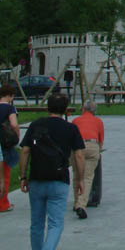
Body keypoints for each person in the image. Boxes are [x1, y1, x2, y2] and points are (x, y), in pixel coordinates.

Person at [19, 93, 85, 250]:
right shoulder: (71, 128)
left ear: (47, 107)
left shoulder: (36, 125)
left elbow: (25, 151)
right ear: (66, 110)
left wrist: (23, 176)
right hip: (59, 180)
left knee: (36, 223)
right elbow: (79, 155)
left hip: (37, 179)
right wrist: (81, 179)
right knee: (55, 224)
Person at [71, 100, 104, 219]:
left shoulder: (75, 120)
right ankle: (81, 205)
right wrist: (97, 152)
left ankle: (76, 203)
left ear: (83, 109)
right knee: (87, 177)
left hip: (77, 147)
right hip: (92, 145)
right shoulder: (98, 121)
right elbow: (101, 141)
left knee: (76, 175)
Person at [0, 84, 19, 213]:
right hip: (4, 143)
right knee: (4, 175)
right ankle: (3, 204)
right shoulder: (10, 108)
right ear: (10, 96)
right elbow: (14, 124)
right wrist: (17, 136)